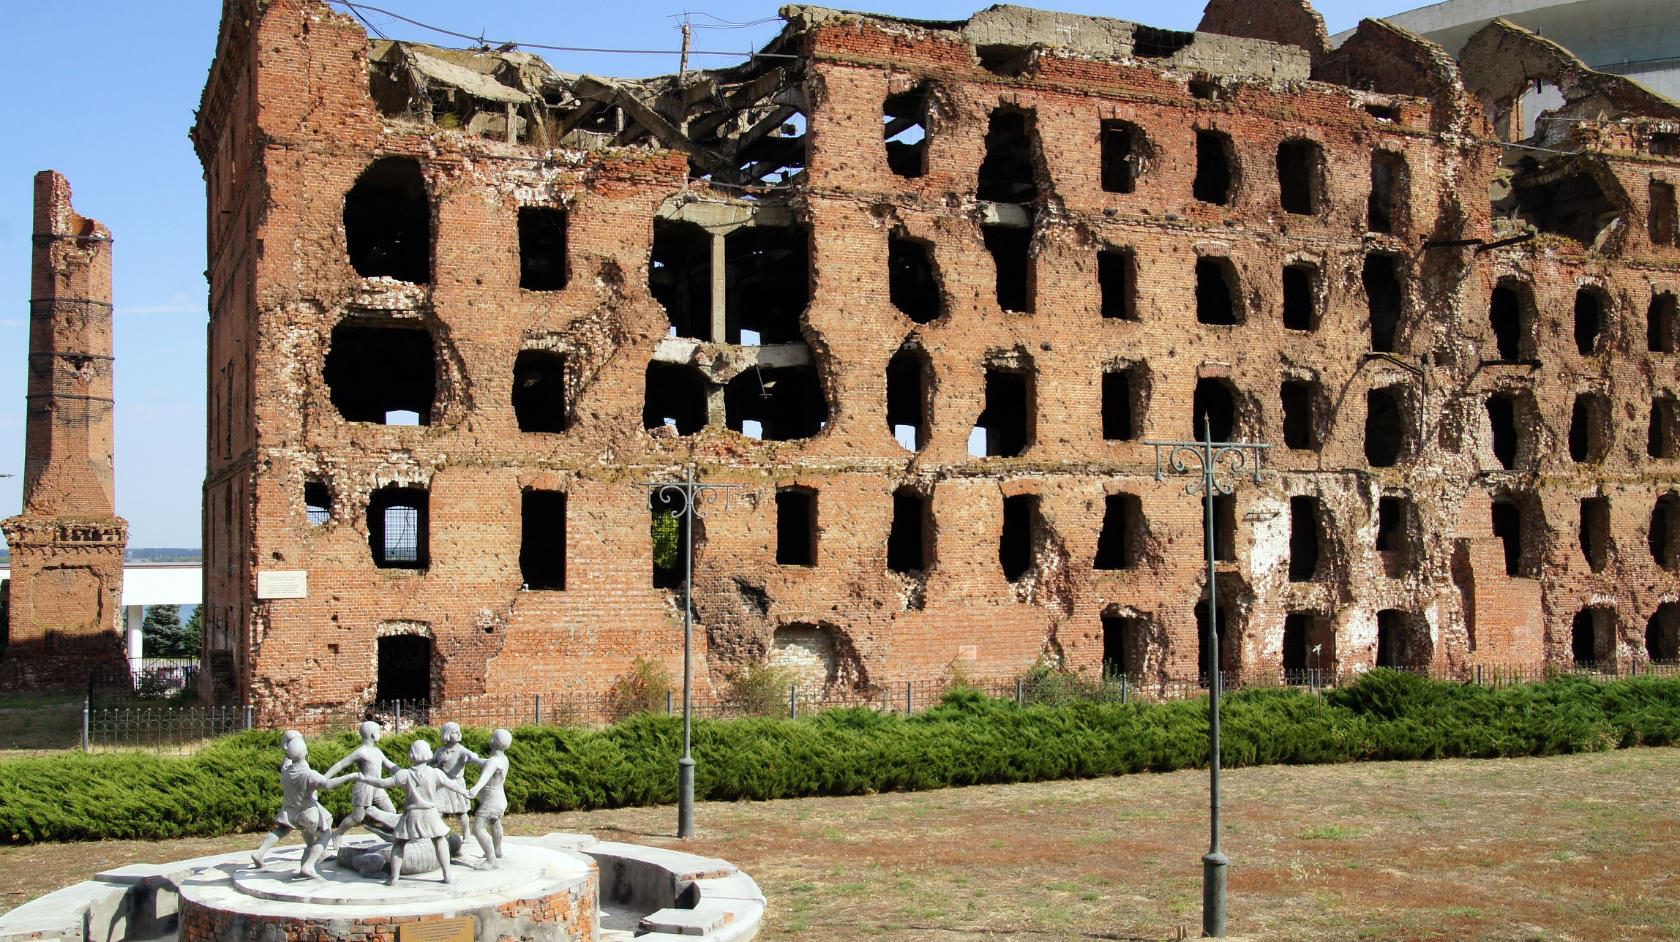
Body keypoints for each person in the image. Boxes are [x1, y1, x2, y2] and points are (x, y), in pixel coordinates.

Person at [359, 739, 471, 885]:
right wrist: (467, 792)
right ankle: (447, 874)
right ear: (429, 754)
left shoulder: (404, 774)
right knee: (440, 840)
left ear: (411, 754)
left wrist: (364, 778)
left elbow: (383, 783)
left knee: (399, 844)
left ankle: (394, 877)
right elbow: (453, 785)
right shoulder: (435, 773)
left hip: (412, 814)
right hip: (430, 813)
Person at [251, 736, 357, 879]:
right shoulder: (308, 774)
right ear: (307, 753)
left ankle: (259, 853)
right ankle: (309, 864)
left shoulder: (286, 770)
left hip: (289, 809)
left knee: (284, 829)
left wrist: (288, 742)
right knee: (325, 834)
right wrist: (350, 776)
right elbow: (327, 784)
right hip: (306, 811)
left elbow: (288, 756)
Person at [324, 720, 398, 848]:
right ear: (373, 734)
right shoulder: (361, 752)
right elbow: (341, 764)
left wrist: (405, 772)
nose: (381, 734)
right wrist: (324, 778)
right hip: (364, 788)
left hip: (378, 786)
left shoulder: (378, 752)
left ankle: (394, 837)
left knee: (391, 811)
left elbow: (390, 765)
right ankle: (338, 833)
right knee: (357, 818)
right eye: (379, 731)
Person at [468, 729, 512, 869]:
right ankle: (498, 850)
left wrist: (474, 790)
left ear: (493, 741)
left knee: (477, 829)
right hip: (501, 800)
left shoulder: (493, 762)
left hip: (490, 802)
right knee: (495, 822)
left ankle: (491, 860)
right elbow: (486, 763)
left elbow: (484, 777)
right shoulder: (503, 759)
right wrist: (474, 759)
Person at [431, 721, 480, 844]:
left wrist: (472, 756)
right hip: (442, 785)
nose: (458, 734)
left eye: (459, 731)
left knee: (461, 812)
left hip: (456, 784)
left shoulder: (461, 750)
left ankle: (466, 833)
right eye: (454, 732)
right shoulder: (440, 750)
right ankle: (439, 833)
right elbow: (431, 760)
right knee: (437, 810)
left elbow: (469, 754)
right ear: (447, 734)